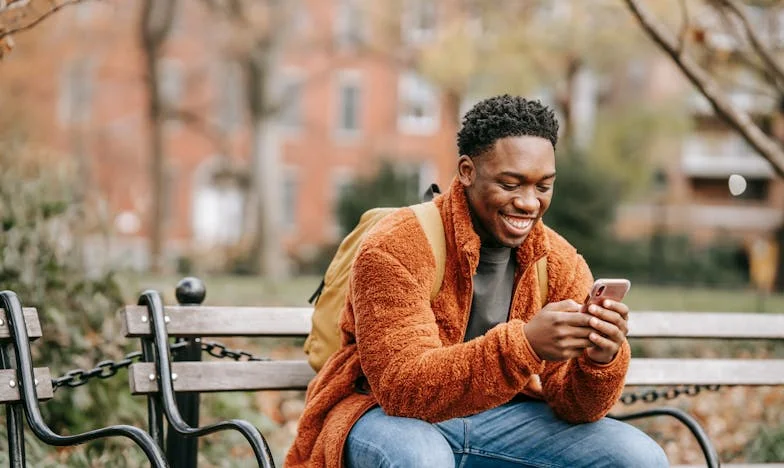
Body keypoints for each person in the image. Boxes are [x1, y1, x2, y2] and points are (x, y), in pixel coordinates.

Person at [286, 95, 669, 468]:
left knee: (639, 457)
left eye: (543, 186)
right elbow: (401, 389)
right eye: (510, 183)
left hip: (500, 421)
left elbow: (575, 407)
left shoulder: (558, 261)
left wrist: (599, 360)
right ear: (467, 172)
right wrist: (525, 345)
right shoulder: (397, 243)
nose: (529, 202)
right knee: (422, 459)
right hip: (380, 415)